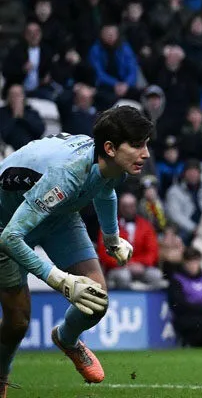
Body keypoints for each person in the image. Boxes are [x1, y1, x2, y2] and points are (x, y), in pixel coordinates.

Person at [0, 106, 151, 394]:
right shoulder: (67, 174)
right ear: (109, 147)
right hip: (5, 223)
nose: (145, 154)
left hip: (57, 215)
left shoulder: (116, 164)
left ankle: (66, 339)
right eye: (137, 145)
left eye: (146, 144)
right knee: (17, 322)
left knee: (96, 298)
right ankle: (0, 373)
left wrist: (112, 238)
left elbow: (106, 190)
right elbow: (10, 237)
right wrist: (62, 281)